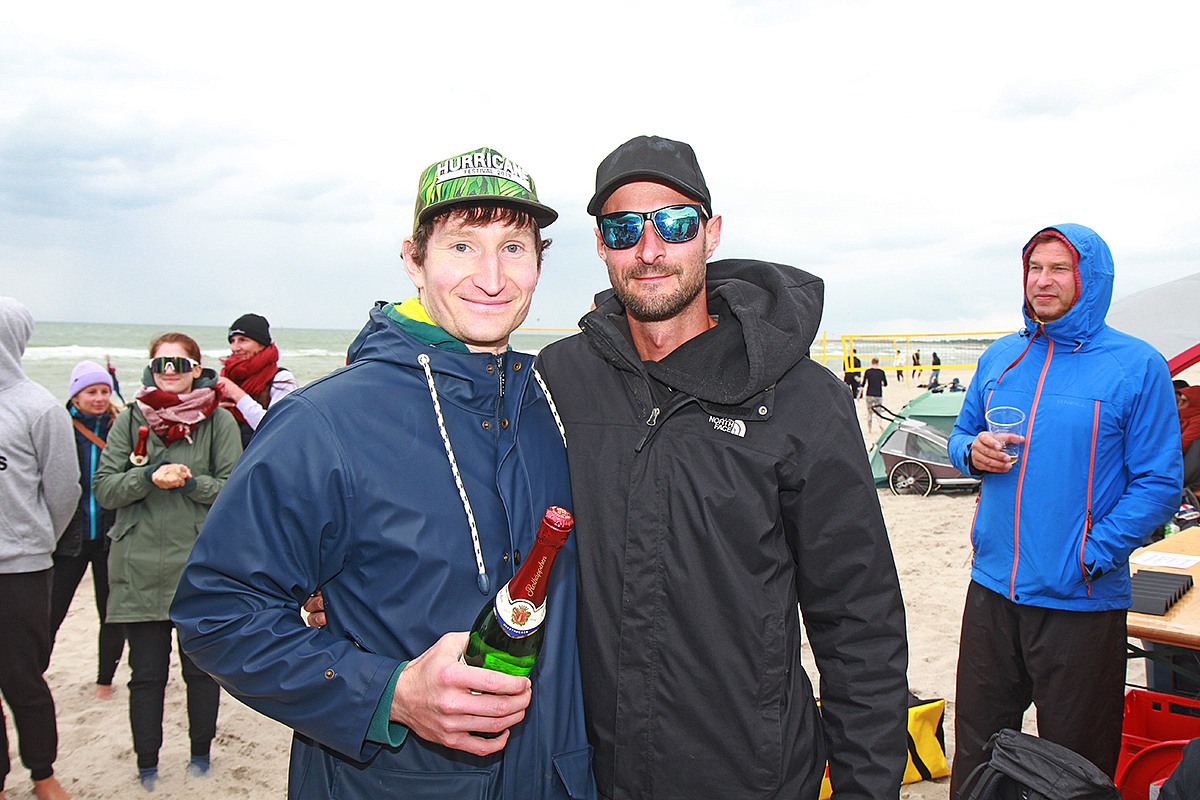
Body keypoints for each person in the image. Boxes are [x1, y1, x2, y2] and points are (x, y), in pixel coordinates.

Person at [170, 146, 595, 800]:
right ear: (413, 260)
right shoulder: (323, 422)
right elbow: (218, 612)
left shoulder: (555, 405)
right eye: (461, 246)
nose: (491, 277)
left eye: (513, 248)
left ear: (539, 264)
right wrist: (390, 693)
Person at [536, 135, 909, 800]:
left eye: (674, 223)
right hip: (588, 773)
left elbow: (859, 619)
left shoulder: (802, 398)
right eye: (623, 229)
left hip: (753, 777)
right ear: (600, 245)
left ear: (710, 234)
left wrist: (866, 786)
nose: (649, 249)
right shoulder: (560, 378)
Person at [947, 224, 1182, 792]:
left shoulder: (1136, 365)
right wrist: (972, 453)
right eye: (1035, 268)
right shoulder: (1001, 357)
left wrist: (1091, 555)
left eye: (1059, 269)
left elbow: (1159, 483)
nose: (1042, 281)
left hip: (1081, 599)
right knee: (977, 748)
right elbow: (960, 435)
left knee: (1074, 762)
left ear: (1089, 279)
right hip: (993, 589)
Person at [93, 332, 242, 791]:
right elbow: (105, 489)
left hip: (198, 566)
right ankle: (147, 765)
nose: (169, 372)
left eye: (179, 364)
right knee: (145, 675)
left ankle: (201, 757)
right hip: (138, 564)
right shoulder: (131, 418)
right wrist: (147, 477)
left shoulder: (218, 420)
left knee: (202, 671)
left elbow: (234, 491)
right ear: (150, 368)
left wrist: (190, 482)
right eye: (161, 364)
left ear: (197, 369)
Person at [0, 298, 80, 800]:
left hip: (21, 569)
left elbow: (63, 490)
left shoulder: (39, 407)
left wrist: (32, 542)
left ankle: (42, 773)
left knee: (22, 679)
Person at [49, 361, 126, 701]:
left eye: (104, 391)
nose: (99, 398)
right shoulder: (59, 428)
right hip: (70, 536)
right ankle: (34, 672)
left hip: (110, 536)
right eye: (91, 391)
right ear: (75, 395)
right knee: (50, 612)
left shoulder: (118, 427)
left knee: (110, 613)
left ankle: (104, 682)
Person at [214, 313, 298, 449]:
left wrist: (237, 395)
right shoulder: (229, 375)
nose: (235, 347)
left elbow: (277, 429)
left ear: (261, 343)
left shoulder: (281, 378)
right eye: (232, 341)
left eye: (243, 340)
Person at [1176, 380, 1200, 489]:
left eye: (1184, 401)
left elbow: (1181, 445)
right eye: (1180, 401)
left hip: (1187, 476)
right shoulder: (1184, 420)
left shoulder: (1197, 421)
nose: (1179, 405)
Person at [860, 356, 888, 434]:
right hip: (878, 394)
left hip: (869, 394)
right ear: (878, 363)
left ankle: (869, 429)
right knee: (878, 411)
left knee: (869, 412)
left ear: (871, 362)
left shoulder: (868, 372)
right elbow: (885, 384)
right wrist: (880, 383)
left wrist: (859, 394)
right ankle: (880, 424)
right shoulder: (881, 372)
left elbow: (863, 384)